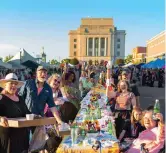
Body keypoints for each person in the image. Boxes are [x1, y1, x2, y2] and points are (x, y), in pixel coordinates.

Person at [0, 73, 30, 153]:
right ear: (5, 85)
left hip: (22, 137)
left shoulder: (20, 98)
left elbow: (26, 113)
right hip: (8, 136)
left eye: (15, 84)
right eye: (11, 83)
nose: (13, 86)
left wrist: (36, 116)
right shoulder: (1, 98)